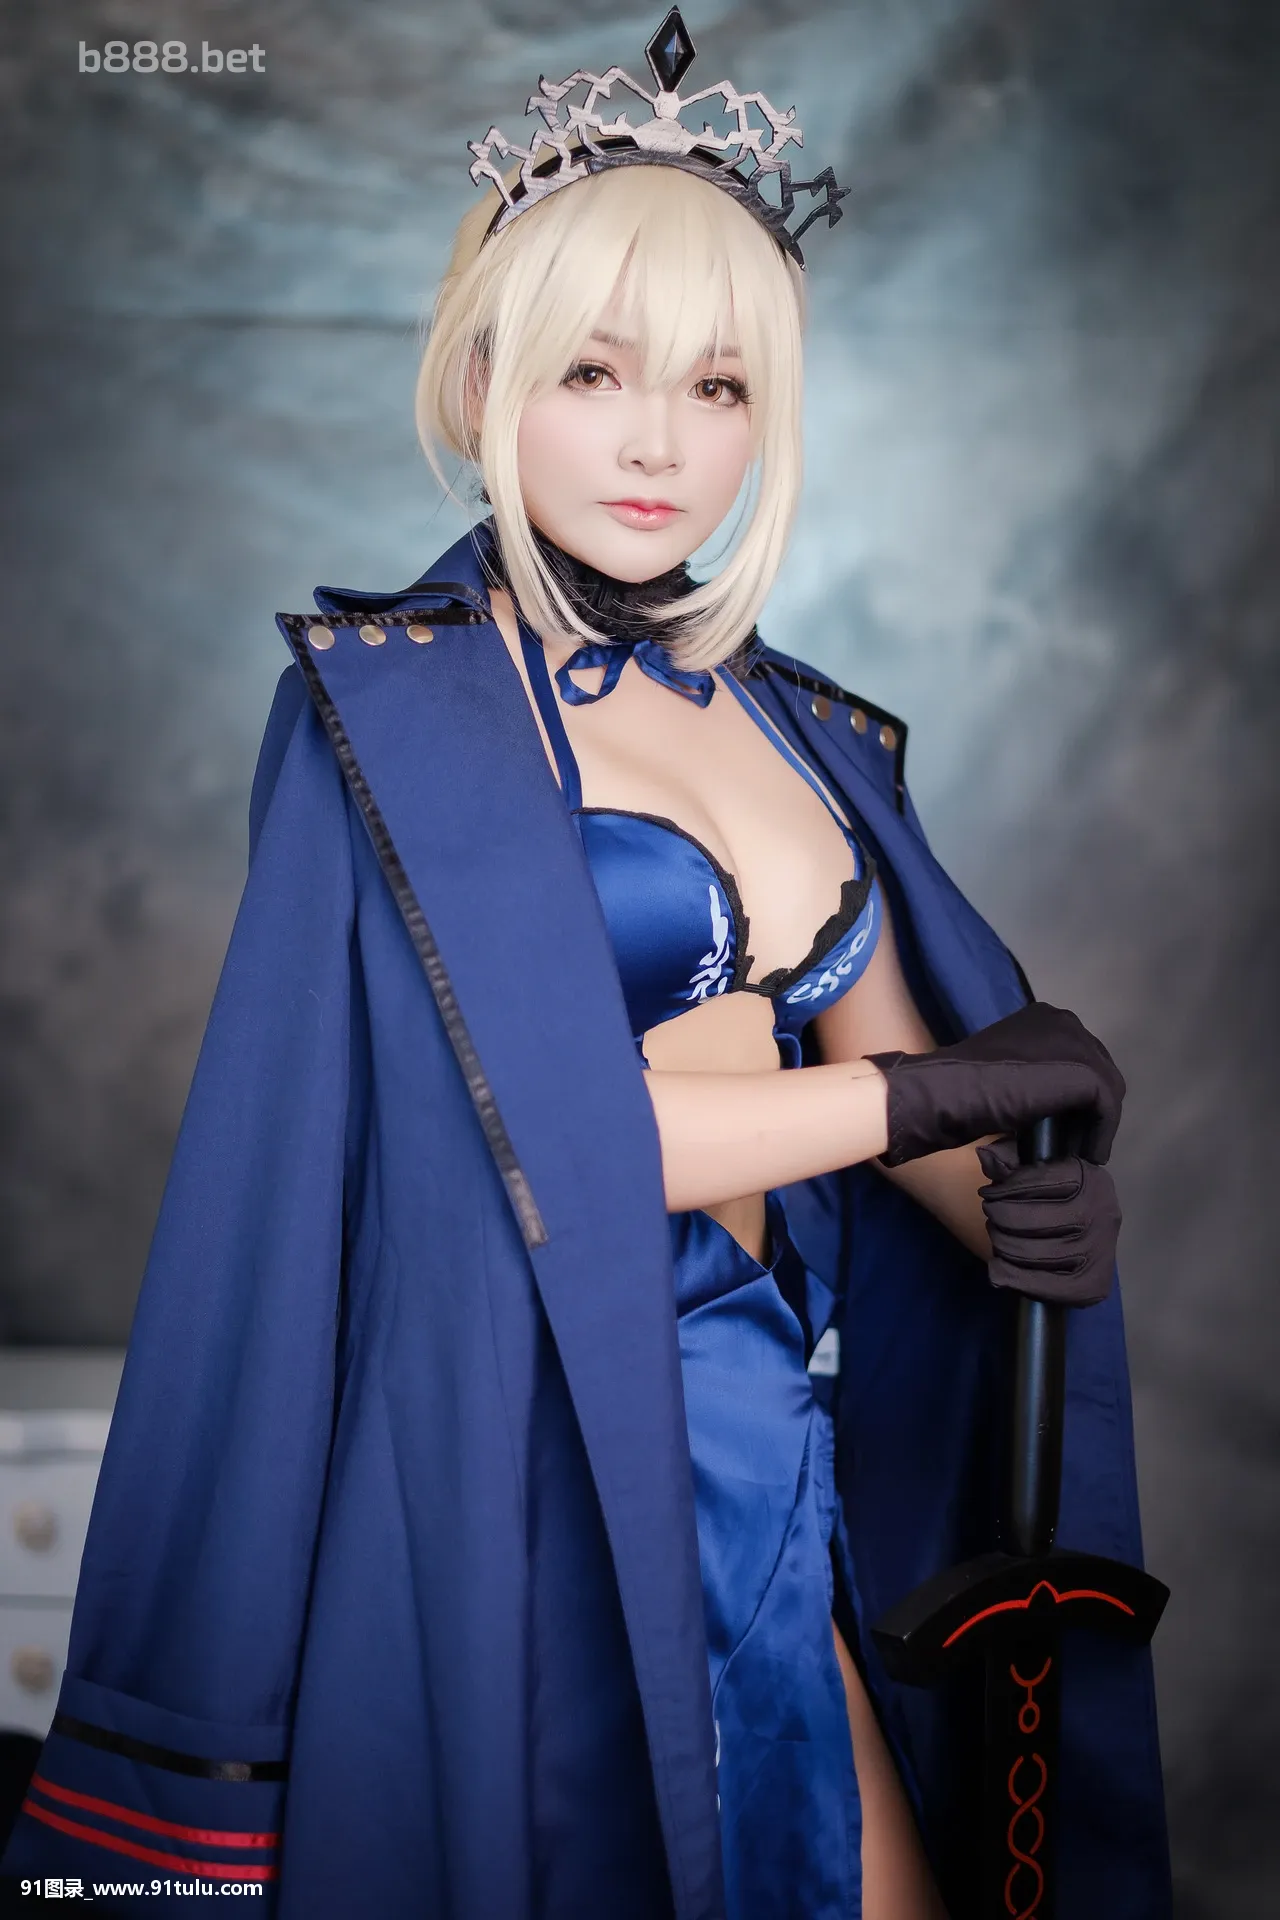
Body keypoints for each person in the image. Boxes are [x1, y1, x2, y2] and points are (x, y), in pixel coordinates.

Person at [1, 13, 1169, 1918]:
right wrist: (923, 1096)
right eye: (595, 370)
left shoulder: (805, 734)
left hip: (764, 1440)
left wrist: (1018, 1193)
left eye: (718, 385)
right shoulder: (394, 724)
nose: (657, 440)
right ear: (485, 377)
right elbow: (555, 1135)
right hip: (529, 1454)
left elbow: (895, 1099)